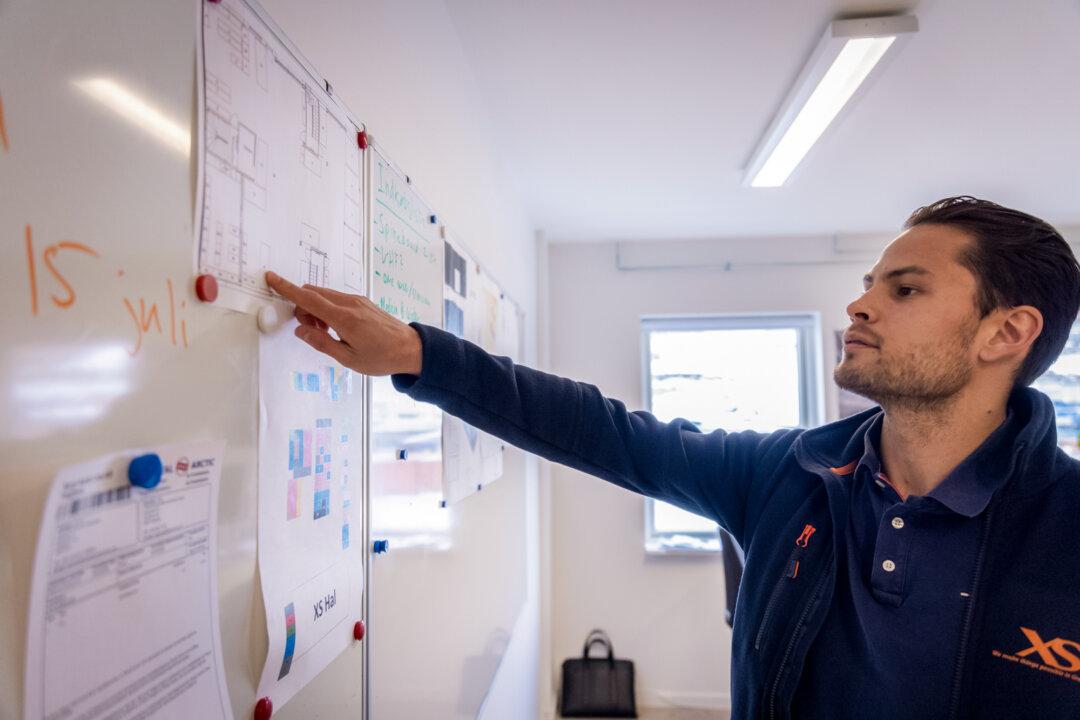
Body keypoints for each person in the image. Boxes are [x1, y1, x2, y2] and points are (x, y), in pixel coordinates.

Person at [265, 196, 1080, 719]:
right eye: (870, 282)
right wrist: (417, 352)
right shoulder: (789, 477)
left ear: (1006, 333)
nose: (859, 303)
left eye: (904, 290)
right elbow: (602, 431)